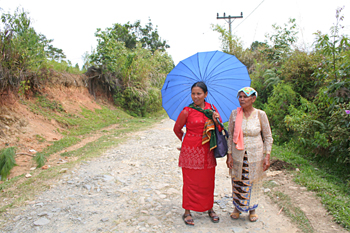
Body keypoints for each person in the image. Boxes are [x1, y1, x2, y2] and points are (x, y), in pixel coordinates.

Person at [173, 81, 223, 226]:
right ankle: (187, 211)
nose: (196, 96)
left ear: (206, 94)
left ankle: (209, 208)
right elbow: (177, 129)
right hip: (190, 152)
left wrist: (216, 121)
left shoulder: (212, 110)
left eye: (199, 93)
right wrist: (186, 140)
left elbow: (219, 130)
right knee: (190, 182)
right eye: (193, 93)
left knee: (208, 182)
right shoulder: (187, 111)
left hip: (207, 151)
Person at [226, 87, 273, 222]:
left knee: (253, 180)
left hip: (255, 154)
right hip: (238, 154)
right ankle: (237, 208)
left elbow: (268, 136)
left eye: (245, 97)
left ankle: (252, 209)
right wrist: (229, 154)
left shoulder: (260, 114)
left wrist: (267, 155)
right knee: (237, 180)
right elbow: (230, 136)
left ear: (253, 99)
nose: (242, 99)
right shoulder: (235, 114)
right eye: (240, 97)